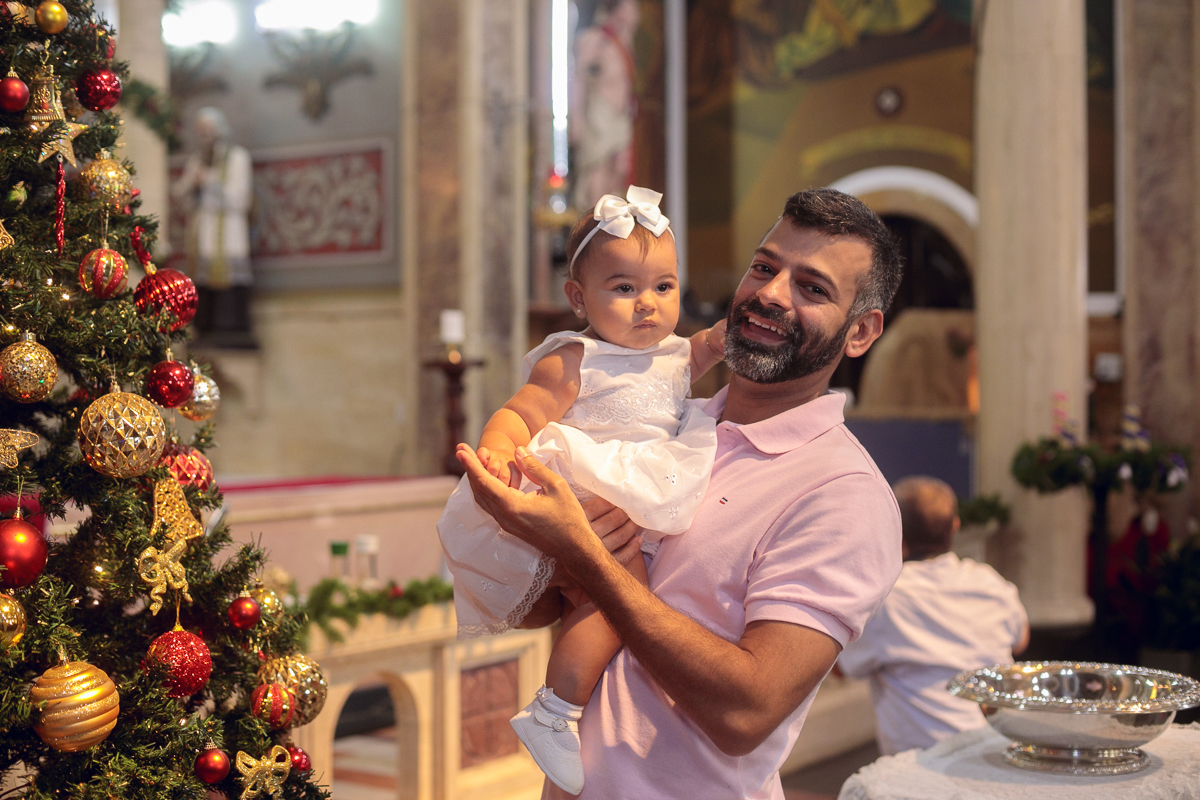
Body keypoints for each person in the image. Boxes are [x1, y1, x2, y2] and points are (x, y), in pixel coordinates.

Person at [456, 188, 905, 800]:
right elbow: (543, 609)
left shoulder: (842, 495)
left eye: (814, 288)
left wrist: (587, 555)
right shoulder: (668, 435)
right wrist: (538, 537)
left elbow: (744, 713)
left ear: (860, 333)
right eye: (765, 266)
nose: (772, 293)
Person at [437, 186, 727, 794]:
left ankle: (567, 711)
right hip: (590, 496)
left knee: (619, 604)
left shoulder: (676, 356)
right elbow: (524, 412)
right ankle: (554, 712)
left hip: (637, 500)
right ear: (578, 298)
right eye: (624, 288)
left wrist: (738, 332)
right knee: (615, 598)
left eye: (663, 287)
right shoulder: (576, 358)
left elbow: (714, 342)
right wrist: (495, 447)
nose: (647, 304)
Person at [837, 476, 1029, 756]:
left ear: (894, 530)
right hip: (996, 749)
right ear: (955, 526)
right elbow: (1021, 640)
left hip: (922, 763)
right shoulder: (990, 582)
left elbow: (841, 666)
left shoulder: (885, 598)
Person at [173, 106, 256, 348]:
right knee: (204, 278)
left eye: (208, 129)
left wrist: (208, 181)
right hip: (206, 228)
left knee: (230, 277)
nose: (205, 134)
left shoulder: (238, 157)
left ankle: (232, 326)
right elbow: (182, 196)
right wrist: (191, 187)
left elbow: (240, 198)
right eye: (201, 130)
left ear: (219, 129)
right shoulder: (197, 160)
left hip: (230, 228)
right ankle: (206, 326)